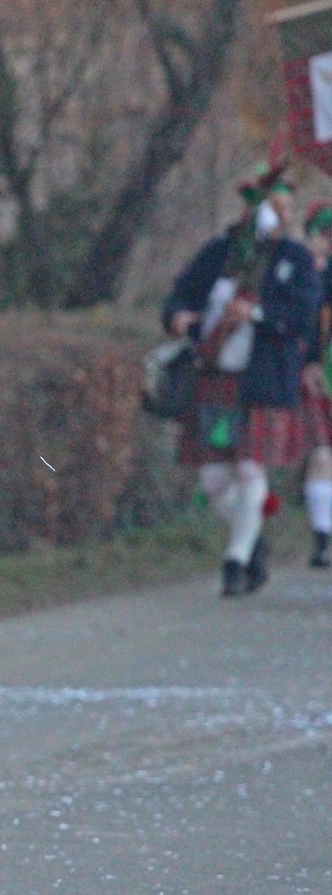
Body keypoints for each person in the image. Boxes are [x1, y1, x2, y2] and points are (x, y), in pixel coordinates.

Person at [161, 162, 320, 594]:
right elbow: (180, 294)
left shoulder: (295, 258)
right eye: (272, 205)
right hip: (214, 379)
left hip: (262, 381)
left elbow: (305, 314)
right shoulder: (219, 252)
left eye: (285, 207)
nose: (279, 215)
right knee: (214, 482)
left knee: (250, 471)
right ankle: (251, 543)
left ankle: (233, 563)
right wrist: (177, 316)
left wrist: (258, 313)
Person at [298, 200, 332, 567]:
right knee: (322, 454)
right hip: (321, 369)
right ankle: (322, 537)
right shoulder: (310, 273)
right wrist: (309, 363)